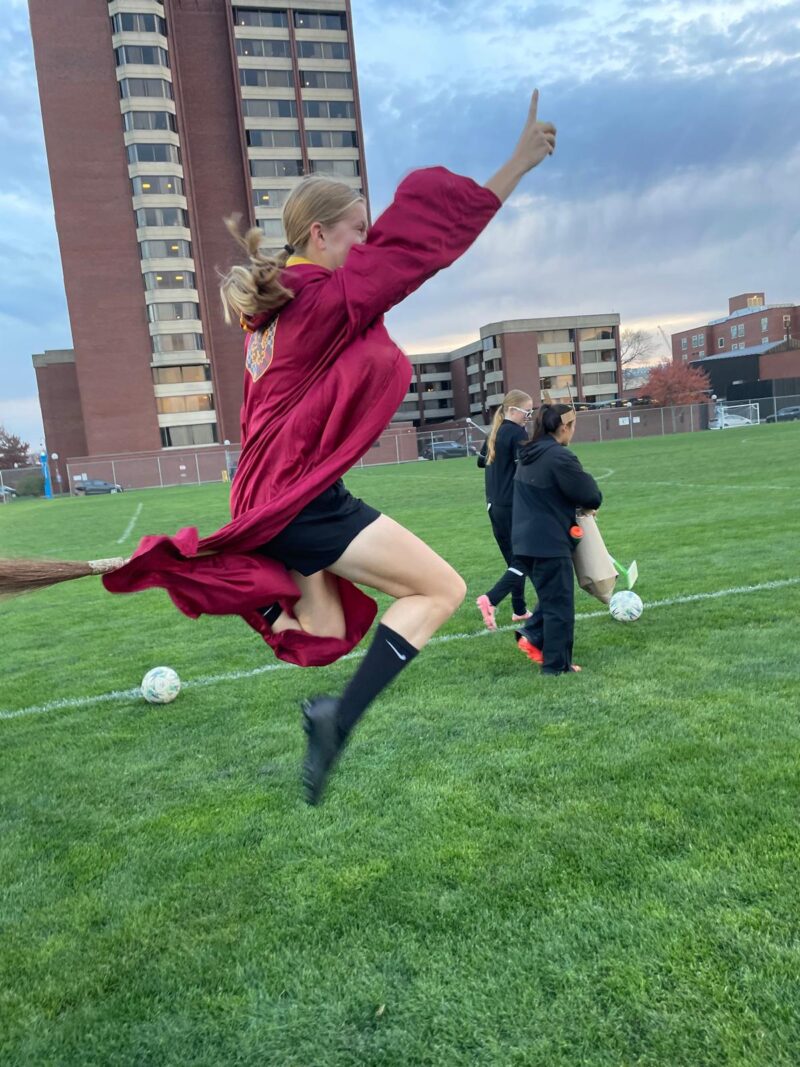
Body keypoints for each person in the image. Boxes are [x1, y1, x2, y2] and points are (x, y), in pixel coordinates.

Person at [104, 90, 557, 803]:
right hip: (298, 498)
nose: (366, 245)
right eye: (356, 232)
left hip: (279, 494)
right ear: (319, 236)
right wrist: (516, 166)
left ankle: (267, 608)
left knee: (319, 627)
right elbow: (424, 247)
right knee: (439, 589)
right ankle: (335, 719)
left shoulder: (272, 318)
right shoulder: (318, 300)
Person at [512, 403, 602, 675]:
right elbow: (590, 495)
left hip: (525, 541)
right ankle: (557, 666)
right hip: (549, 542)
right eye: (572, 427)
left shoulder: (528, 454)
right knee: (560, 605)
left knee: (551, 599)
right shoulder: (559, 457)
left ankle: (533, 635)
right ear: (563, 427)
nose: (572, 433)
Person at [475, 390, 533, 630]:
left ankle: (519, 610)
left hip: (493, 506)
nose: (528, 416)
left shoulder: (495, 431)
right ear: (512, 410)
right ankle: (491, 599)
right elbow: (526, 469)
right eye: (525, 411)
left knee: (514, 560)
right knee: (526, 559)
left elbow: (480, 462)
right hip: (511, 506)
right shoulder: (517, 432)